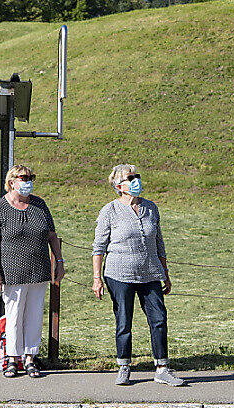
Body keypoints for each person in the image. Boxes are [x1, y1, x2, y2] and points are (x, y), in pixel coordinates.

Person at [91, 164, 184, 387]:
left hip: (150, 273)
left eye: (137, 176)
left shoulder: (151, 207)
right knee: (124, 321)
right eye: (130, 178)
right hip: (119, 274)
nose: (136, 181)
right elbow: (99, 247)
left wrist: (165, 273)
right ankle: (124, 366)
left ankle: (162, 368)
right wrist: (97, 278)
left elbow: (158, 242)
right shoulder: (110, 211)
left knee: (159, 319)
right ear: (118, 186)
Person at [0, 164, 64, 378]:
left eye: (30, 177)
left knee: (35, 315)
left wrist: (59, 260)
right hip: (12, 272)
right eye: (23, 177)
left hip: (38, 271)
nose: (28, 181)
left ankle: (30, 358)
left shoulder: (39, 204)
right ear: (12, 181)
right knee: (14, 316)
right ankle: (12, 359)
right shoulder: (0, 207)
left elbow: (51, 235)